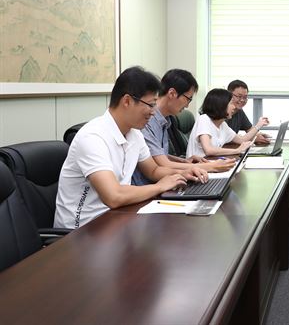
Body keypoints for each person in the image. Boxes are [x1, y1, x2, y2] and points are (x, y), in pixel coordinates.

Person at [54, 66, 207, 229]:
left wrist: (183, 173)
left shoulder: (135, 134)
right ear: (126, 101)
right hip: (82, 230)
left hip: (118, 218)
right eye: (150, 105)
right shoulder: (92, 137)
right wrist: (159, 187)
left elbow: (153, 171)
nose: (153, 112)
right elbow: (113, 196)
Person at [132, 69, 236, 185]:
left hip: (162, 181)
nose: (188, 105)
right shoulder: (147, 120)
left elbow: (157, 154)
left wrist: (184, 161)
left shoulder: (165, 120)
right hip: (148, 186)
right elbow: (163, 164)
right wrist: (211, 166)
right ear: (172, 93)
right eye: (188, 99)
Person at [187, 88, 267, 157]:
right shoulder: (204, 119)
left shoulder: (222, 124)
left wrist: (258, 125)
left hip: (211, 163)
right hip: (197, 168)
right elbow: (209, 150)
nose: (234, 107)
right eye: (231, 103)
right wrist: (237, 150)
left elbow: (242, 140)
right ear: (221, 105)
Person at [227, 80, 271, 144]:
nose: (242, 100)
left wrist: (258, 135)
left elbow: (249, 129)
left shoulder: (239, 111)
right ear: (229, 95)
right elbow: (228, 139)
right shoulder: (220, 114)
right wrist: (253, 138)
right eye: (239, 96)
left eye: (245, 97)